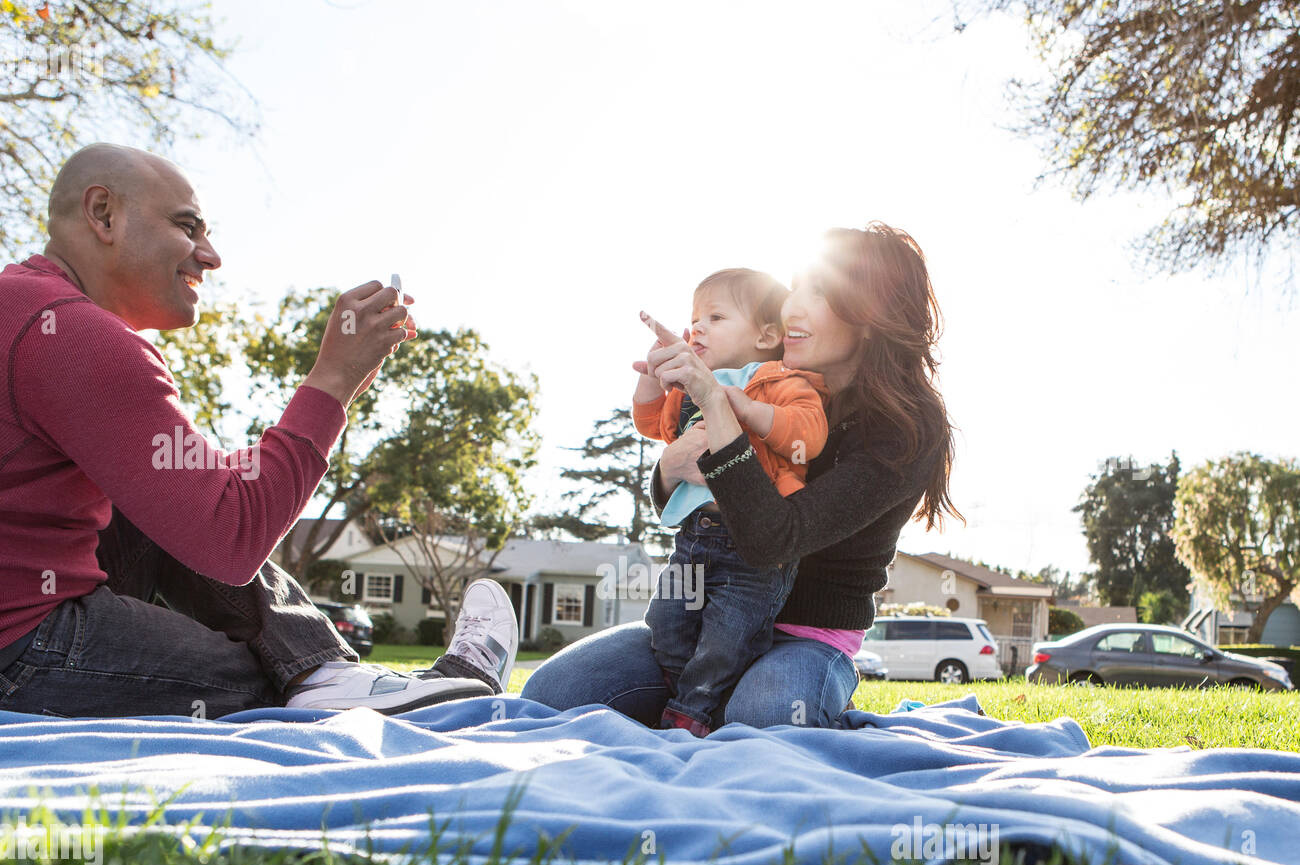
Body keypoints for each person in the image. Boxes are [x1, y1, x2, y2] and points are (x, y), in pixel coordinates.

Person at [0, 143, 517, 720]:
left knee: (168, 504)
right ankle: (340, 686)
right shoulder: (73, 334)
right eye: (188, 226)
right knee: (268, 676)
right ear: (103, 215)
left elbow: (205, 508)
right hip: (19, 651)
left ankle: (324, 671)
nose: (211, 256)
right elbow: (231, 537)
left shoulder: (25, 305)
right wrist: (332, 385)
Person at [524, 223, 962, 730]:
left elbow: (775, 539)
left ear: (870, 316)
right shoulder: (764, 370)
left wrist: (718, 408)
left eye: (817, 292)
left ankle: (737, 705)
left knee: (762, 716)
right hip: (698, 619)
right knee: (551, 694)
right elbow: (685, 472)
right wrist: (666, 467)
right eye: (794, 287)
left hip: (806, 637)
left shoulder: (905, 429)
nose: (791, 307)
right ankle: (688, 702)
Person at [631, 268, 828, 735]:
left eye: (715, 317)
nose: (697, 327)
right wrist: (650, 377)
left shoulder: (784, 379)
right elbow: (652, 424)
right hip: (694, 536)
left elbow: (807, 435)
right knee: (667, 622)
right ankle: (693, 694)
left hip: (750, 548)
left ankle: (692, 713)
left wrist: (745, 409)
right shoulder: (693, 383)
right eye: (695, 318)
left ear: (766, 336)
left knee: (727, 634)